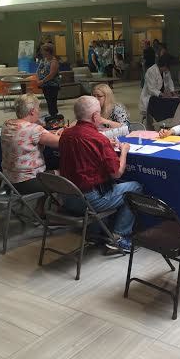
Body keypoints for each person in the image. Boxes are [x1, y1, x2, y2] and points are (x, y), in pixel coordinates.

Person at [59, 96, 142, 251]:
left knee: (102, 183)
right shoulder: (98, 139)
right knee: (135, 187)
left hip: (67, 198)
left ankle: (94, 233)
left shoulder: (65, 135)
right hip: (90, 200)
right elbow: (117, 173)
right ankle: (119, 237)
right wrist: (124, 151)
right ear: (95, 116)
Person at [1, 94, 60, 195]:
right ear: (32, 111)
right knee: (65, 172)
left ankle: (39, 207)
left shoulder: (7, 124)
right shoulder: (33, 129)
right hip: (29, 181)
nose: (39, 110)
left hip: (9, 179)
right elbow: (61, 142)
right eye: (38, 108)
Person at [139, 54, 175, 119]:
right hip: (150, 97)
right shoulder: (151, 71)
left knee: (171, 104)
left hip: (161, 95)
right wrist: (162, 94)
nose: (168, 69)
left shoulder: (166, 71)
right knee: (161, 107)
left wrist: (172, 91)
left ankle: (167, 119)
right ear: (163, 65)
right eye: (167, 67)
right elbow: (151, 89)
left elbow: (170, 81)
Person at [37, 43, 60, 117]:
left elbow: (52, 74)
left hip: (52, 85)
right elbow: (38, 70)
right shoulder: (43, 60)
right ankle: (51, 116)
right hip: (45, 85)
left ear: (48, 51)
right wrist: (38, 79)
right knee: (48, 102)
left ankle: (54, 116)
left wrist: (42, 81)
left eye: (43, 50)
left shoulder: (54, 61)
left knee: (52, 102)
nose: (42, 52)